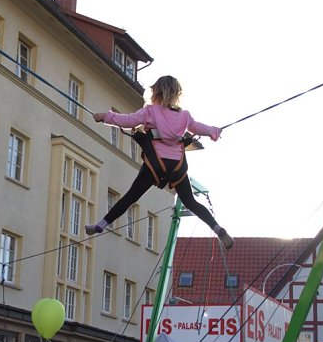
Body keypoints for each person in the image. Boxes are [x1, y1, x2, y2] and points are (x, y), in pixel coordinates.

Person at [85, 75, 233, 249]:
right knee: (190, 201)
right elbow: (199, 128)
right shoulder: (184, 117)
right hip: (177, 166)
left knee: (131, 196)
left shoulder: (151, 111)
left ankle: (101, 224)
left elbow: (127, 121)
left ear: (156, 92)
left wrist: (104, 117)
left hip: (155, 164)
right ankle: (218, 229)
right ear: (176, 94)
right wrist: (214, 131)